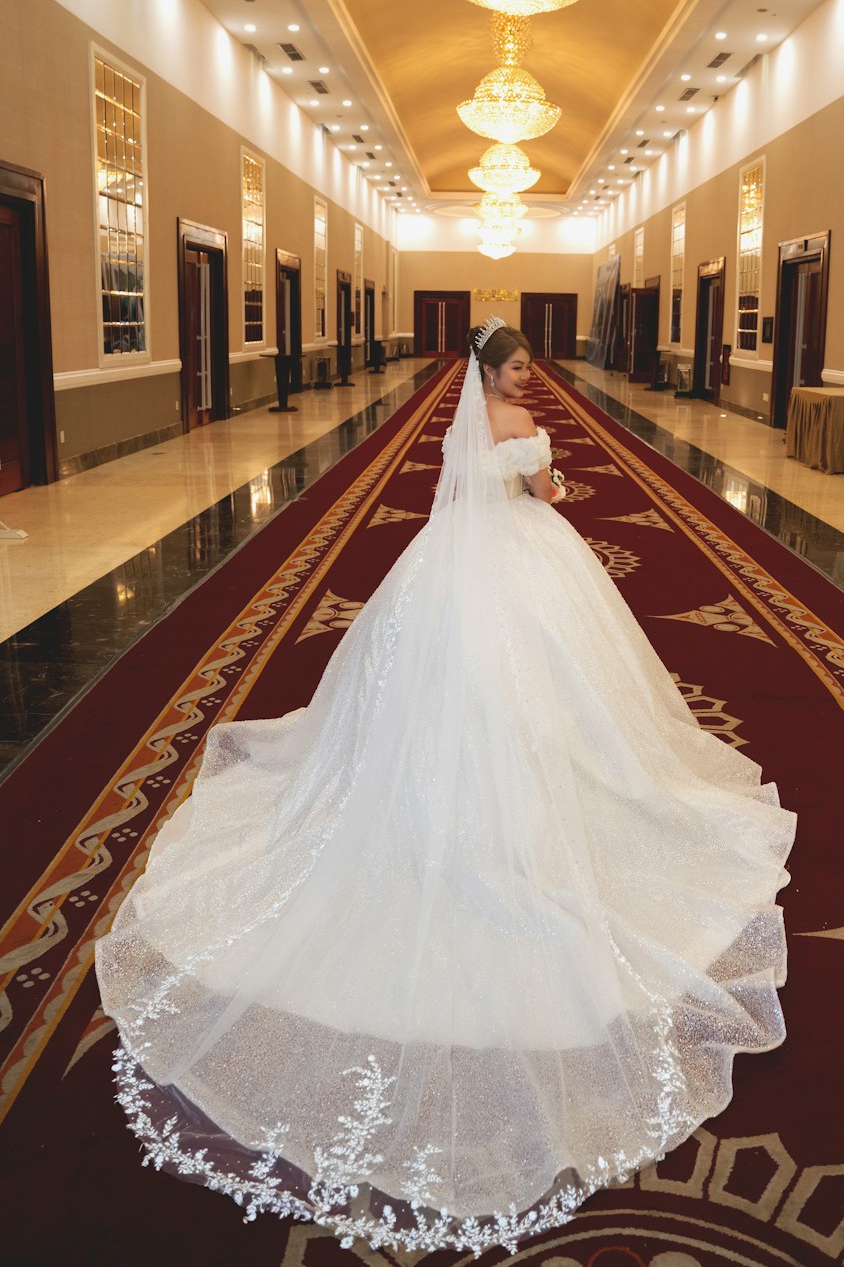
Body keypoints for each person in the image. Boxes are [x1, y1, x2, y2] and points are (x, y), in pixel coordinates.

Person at [96, 319, 796, 1257]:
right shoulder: (515, 427)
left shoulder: (470, 423)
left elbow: (462, 497)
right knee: (561, 694)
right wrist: (552, 485)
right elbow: (549, 492)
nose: (528, 380)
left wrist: (529, 484)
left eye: (527, 369)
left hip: (457, 566)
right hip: (530, 561)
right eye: (516, 369)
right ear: (491, 373)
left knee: (447, 691)